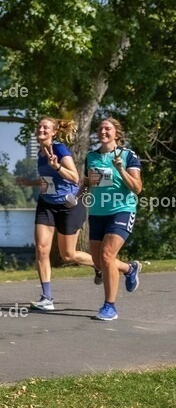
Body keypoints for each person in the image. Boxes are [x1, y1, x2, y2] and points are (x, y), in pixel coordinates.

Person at [18, 118, 97, 311]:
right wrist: (30, 183)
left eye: (45, 127)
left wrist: (57, 167)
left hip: (69, 205)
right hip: (46, 204)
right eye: (39, 127)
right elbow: (49, 180)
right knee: (42, 249)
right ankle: (47, 298)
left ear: (54, 132)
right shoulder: (40, 152)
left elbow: (75, 178)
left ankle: (111, 266)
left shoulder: (60, 149)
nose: (41, 129)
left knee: (68, 255)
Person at [82, 117, 142, 321]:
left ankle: (110, 307)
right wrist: (74, 199)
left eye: (107, 128)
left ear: (116, 132)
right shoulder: (91, 156)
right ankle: (129, 268)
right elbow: (88, 182)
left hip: (122, 210)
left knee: (107, 256)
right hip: (97, 213)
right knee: (98, 262)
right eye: (100, 129)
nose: (103, 132)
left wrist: (120, 169)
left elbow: (137, 188)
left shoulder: (128, 155)